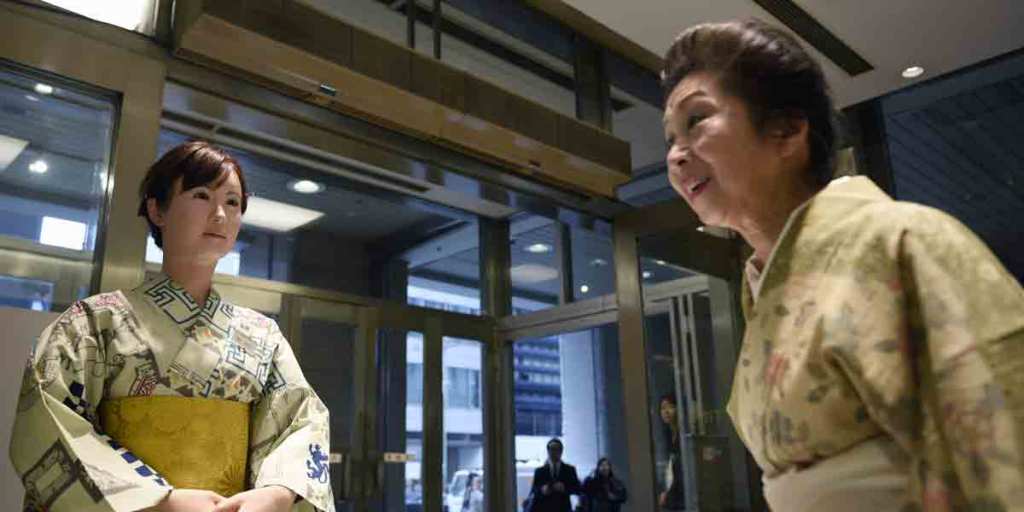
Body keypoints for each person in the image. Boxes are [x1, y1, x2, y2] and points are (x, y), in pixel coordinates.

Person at [661, 18, 1024, 512]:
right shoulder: (765, 295)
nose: (676, 156)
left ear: (787, 130)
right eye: (669, 139)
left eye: (696, 120)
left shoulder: (902, 241)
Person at [9, 141, 335, 512]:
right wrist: (158, 501)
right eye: (201, 195)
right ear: (157, 209)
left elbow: (301, 421)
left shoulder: (263, 336)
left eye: (232, 201)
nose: (220, 214)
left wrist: (276, 493)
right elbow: (48, 421)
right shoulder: (92, 323)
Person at [529, 438, 581, 512]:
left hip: (563, 507)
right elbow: (534, 490)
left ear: (561, 451)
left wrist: (564, 488)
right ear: (548, 451)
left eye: (557, 449)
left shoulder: (569, 470)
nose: (554, 452)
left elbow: (577, 489)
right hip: (544, 507)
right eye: (552, 449)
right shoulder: (540, 471)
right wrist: (542, 490)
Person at [657, 395, 684, 510]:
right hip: (673, 487)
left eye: (671, 407)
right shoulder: (666, 434)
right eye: (663, 408)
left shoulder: (683, 431)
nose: (666, 412)